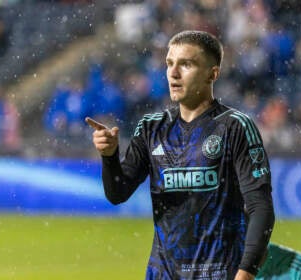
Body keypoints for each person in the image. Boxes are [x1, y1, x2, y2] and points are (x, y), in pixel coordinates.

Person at [86, 30, 275, 280]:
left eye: (186, 64)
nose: (173, 73)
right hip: (163, 274)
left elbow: (260, 206)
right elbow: (118, 192)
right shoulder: (151, 127)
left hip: (220, 274)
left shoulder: (234, 126)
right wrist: (110, 156)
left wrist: (246, 272)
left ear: (212, 74)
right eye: (169, 63)